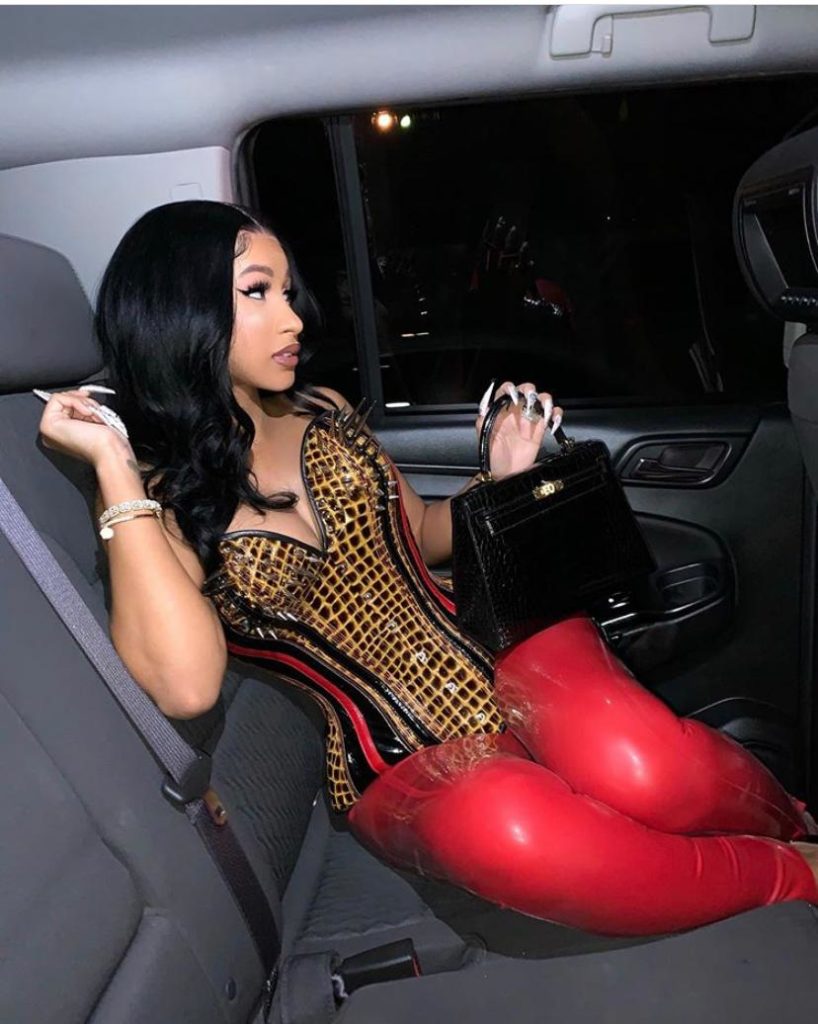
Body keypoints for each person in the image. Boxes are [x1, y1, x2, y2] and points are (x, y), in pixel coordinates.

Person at [37, 200, 818, 937]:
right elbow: (186, 687)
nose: (294, 317)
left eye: (289, 291)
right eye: (258, 291)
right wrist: (114, 468)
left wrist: (500, 477)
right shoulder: (158, 503)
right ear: (182, 313)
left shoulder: (321, 410)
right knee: (506, 825)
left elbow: (420, 533)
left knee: (642, 765)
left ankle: (797, 824)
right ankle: (787, 877)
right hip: (392, 756)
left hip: (500, 650)